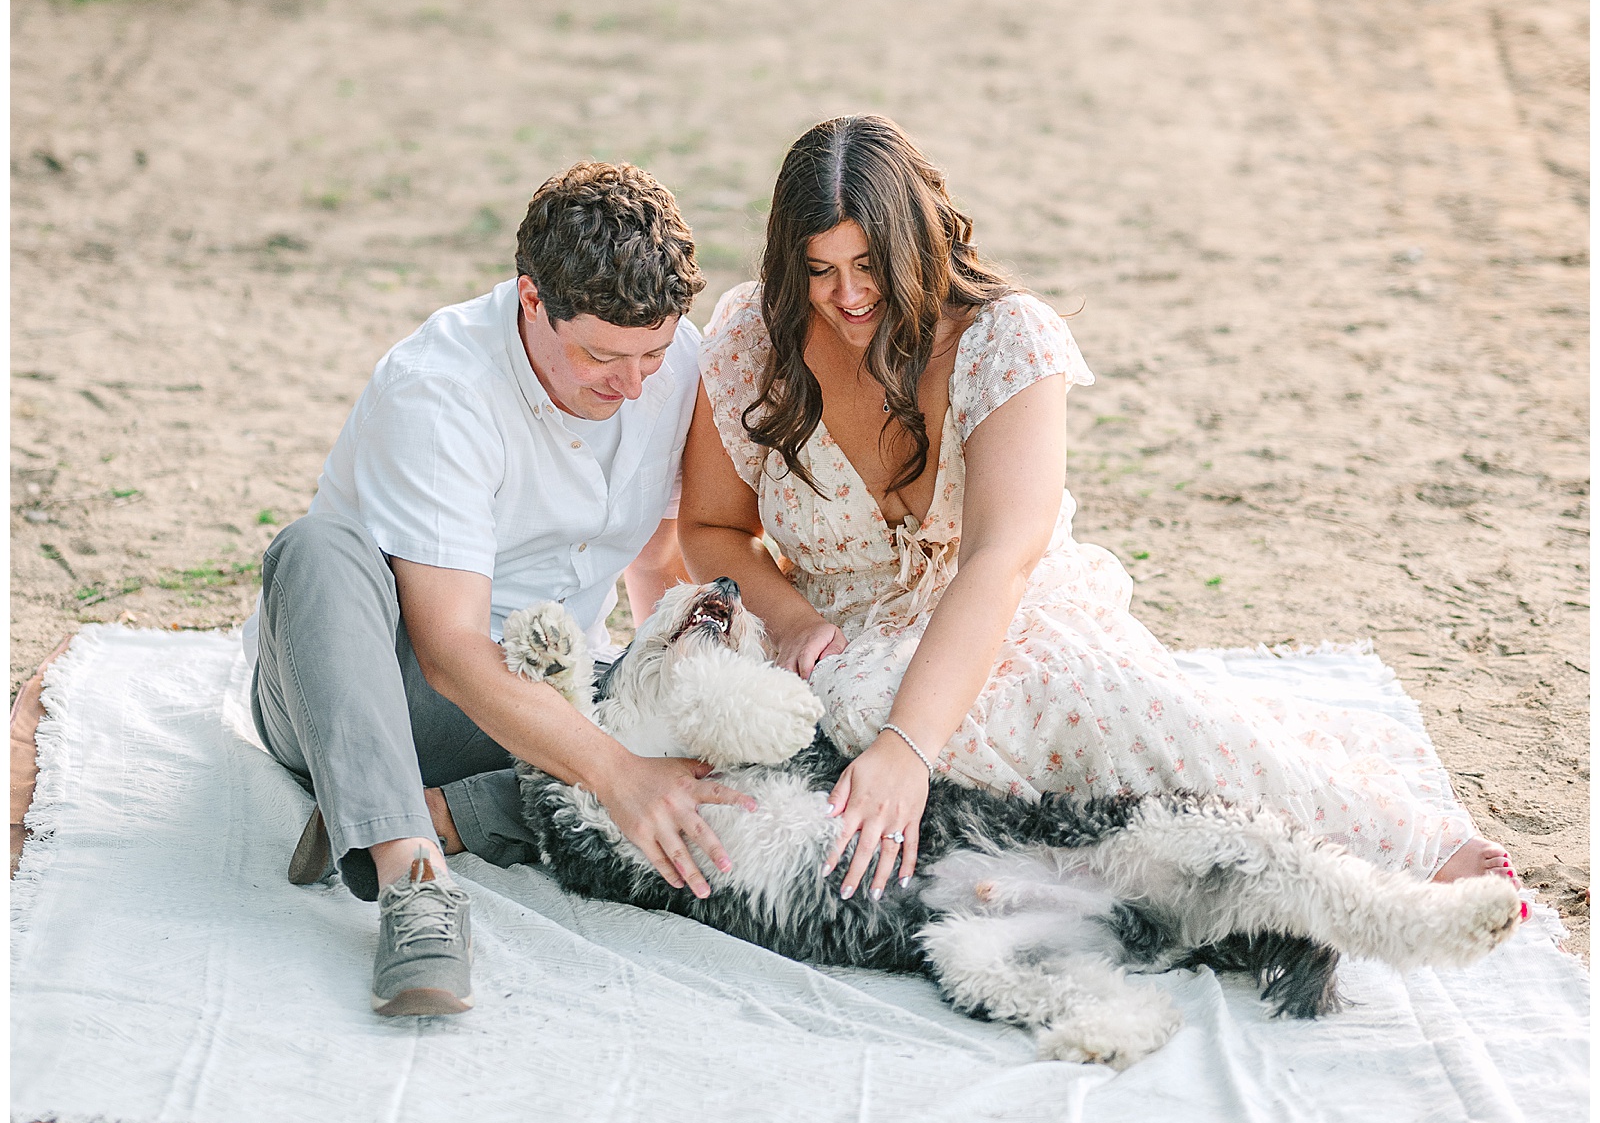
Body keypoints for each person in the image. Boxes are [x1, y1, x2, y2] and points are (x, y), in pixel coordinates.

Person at [680, 114, 1518, 907]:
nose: (848, 295)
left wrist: (908, 745)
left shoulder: (1007, 340)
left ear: (916, 245)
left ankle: (1400, 845)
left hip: (1010, 617)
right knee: (847, 711)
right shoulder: (758, 338)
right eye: (820, 270)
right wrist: (787, 619)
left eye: (869, 266)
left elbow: (1001, 560)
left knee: (1091, 708)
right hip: (846, 637)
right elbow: (712, 528)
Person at [247, 160, 753, 1018]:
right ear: (530, 300)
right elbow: (449, 651)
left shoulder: (675, 369)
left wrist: (663, 690)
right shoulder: (440, 389)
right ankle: (414, 877)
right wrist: (614, 771)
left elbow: (657, 559)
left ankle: (436, 811)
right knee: (316, 548)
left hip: (539, 699)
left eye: (653, 355)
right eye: (600, 356)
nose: (632, 386)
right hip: (373, 688)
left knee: (742, 734)